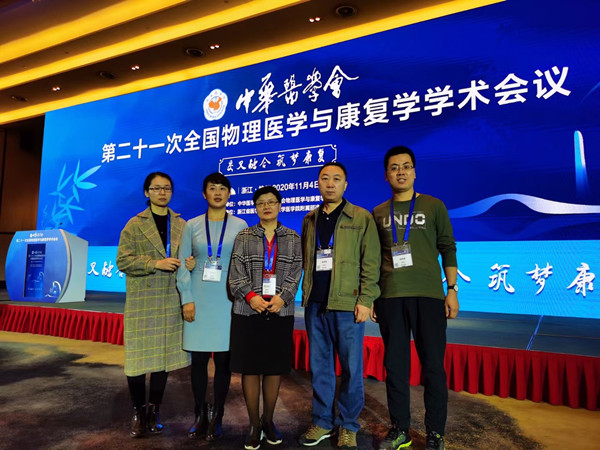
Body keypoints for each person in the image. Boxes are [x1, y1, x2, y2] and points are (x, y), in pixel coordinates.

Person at [371, 146, 459, 450]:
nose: (401, 172)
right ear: (386, 175)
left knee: (433, 366)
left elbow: (448, 247)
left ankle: (436, 433)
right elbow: (373, 258)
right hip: (391, 297)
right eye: (394, 167)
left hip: (429, 296)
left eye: (406, 166)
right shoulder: (378, 213)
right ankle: (400, 429)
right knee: (395, 367)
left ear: (414, 172)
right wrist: (372, 296)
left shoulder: (434, 206)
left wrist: (451, 290)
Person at [298, 162, 381, 450]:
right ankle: (323, 422)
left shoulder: (361, 217)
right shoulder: (309, 219)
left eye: (336, 179)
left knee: (351, 370)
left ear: (345, 185)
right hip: (315, 304)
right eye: (325, 178)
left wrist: (366, 300)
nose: (330, 183)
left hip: (347, 304)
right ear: (318, 184)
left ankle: (348, 425)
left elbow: (371, 262)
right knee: (320, 368)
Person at [116, 171, 194, 438]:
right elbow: (122, 261)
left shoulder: (181, 224)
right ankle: (138, 412)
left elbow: (189, 256)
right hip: (143, 301)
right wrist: (154, 263)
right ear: (146, 192)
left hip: (171, 299)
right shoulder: (134, 224)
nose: (162, 192)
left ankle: (154, 410)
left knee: (163, 359)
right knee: (137, 361)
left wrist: (191, 263)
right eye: (157, 188)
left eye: (167, 188)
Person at [228, 186, 302, 450]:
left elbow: (297, 271)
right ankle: (254, 425)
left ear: (280, 205)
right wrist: (251, 297)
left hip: (280, 311)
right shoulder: (244, 236)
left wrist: (284, 297)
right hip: (249, 311)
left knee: (273, 368)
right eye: (261, 203)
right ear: (256, 207)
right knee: (250, 368)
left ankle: (268, 420)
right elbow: (235, 273)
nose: (267, 206)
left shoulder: (292, 237)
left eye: (271, 202)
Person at [176, 172, 247, 441]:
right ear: (204, 193)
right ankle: (199, 413)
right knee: (199, 362)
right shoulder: (192, 225)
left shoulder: (240, 225)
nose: (217, 193)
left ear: (229, 194)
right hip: (199, 298)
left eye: (222, 188)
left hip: (228, 299)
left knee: (224, 362)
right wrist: (187, 298)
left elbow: (244, 262)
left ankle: (218, 414)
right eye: (212, 188)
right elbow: (183, 263)